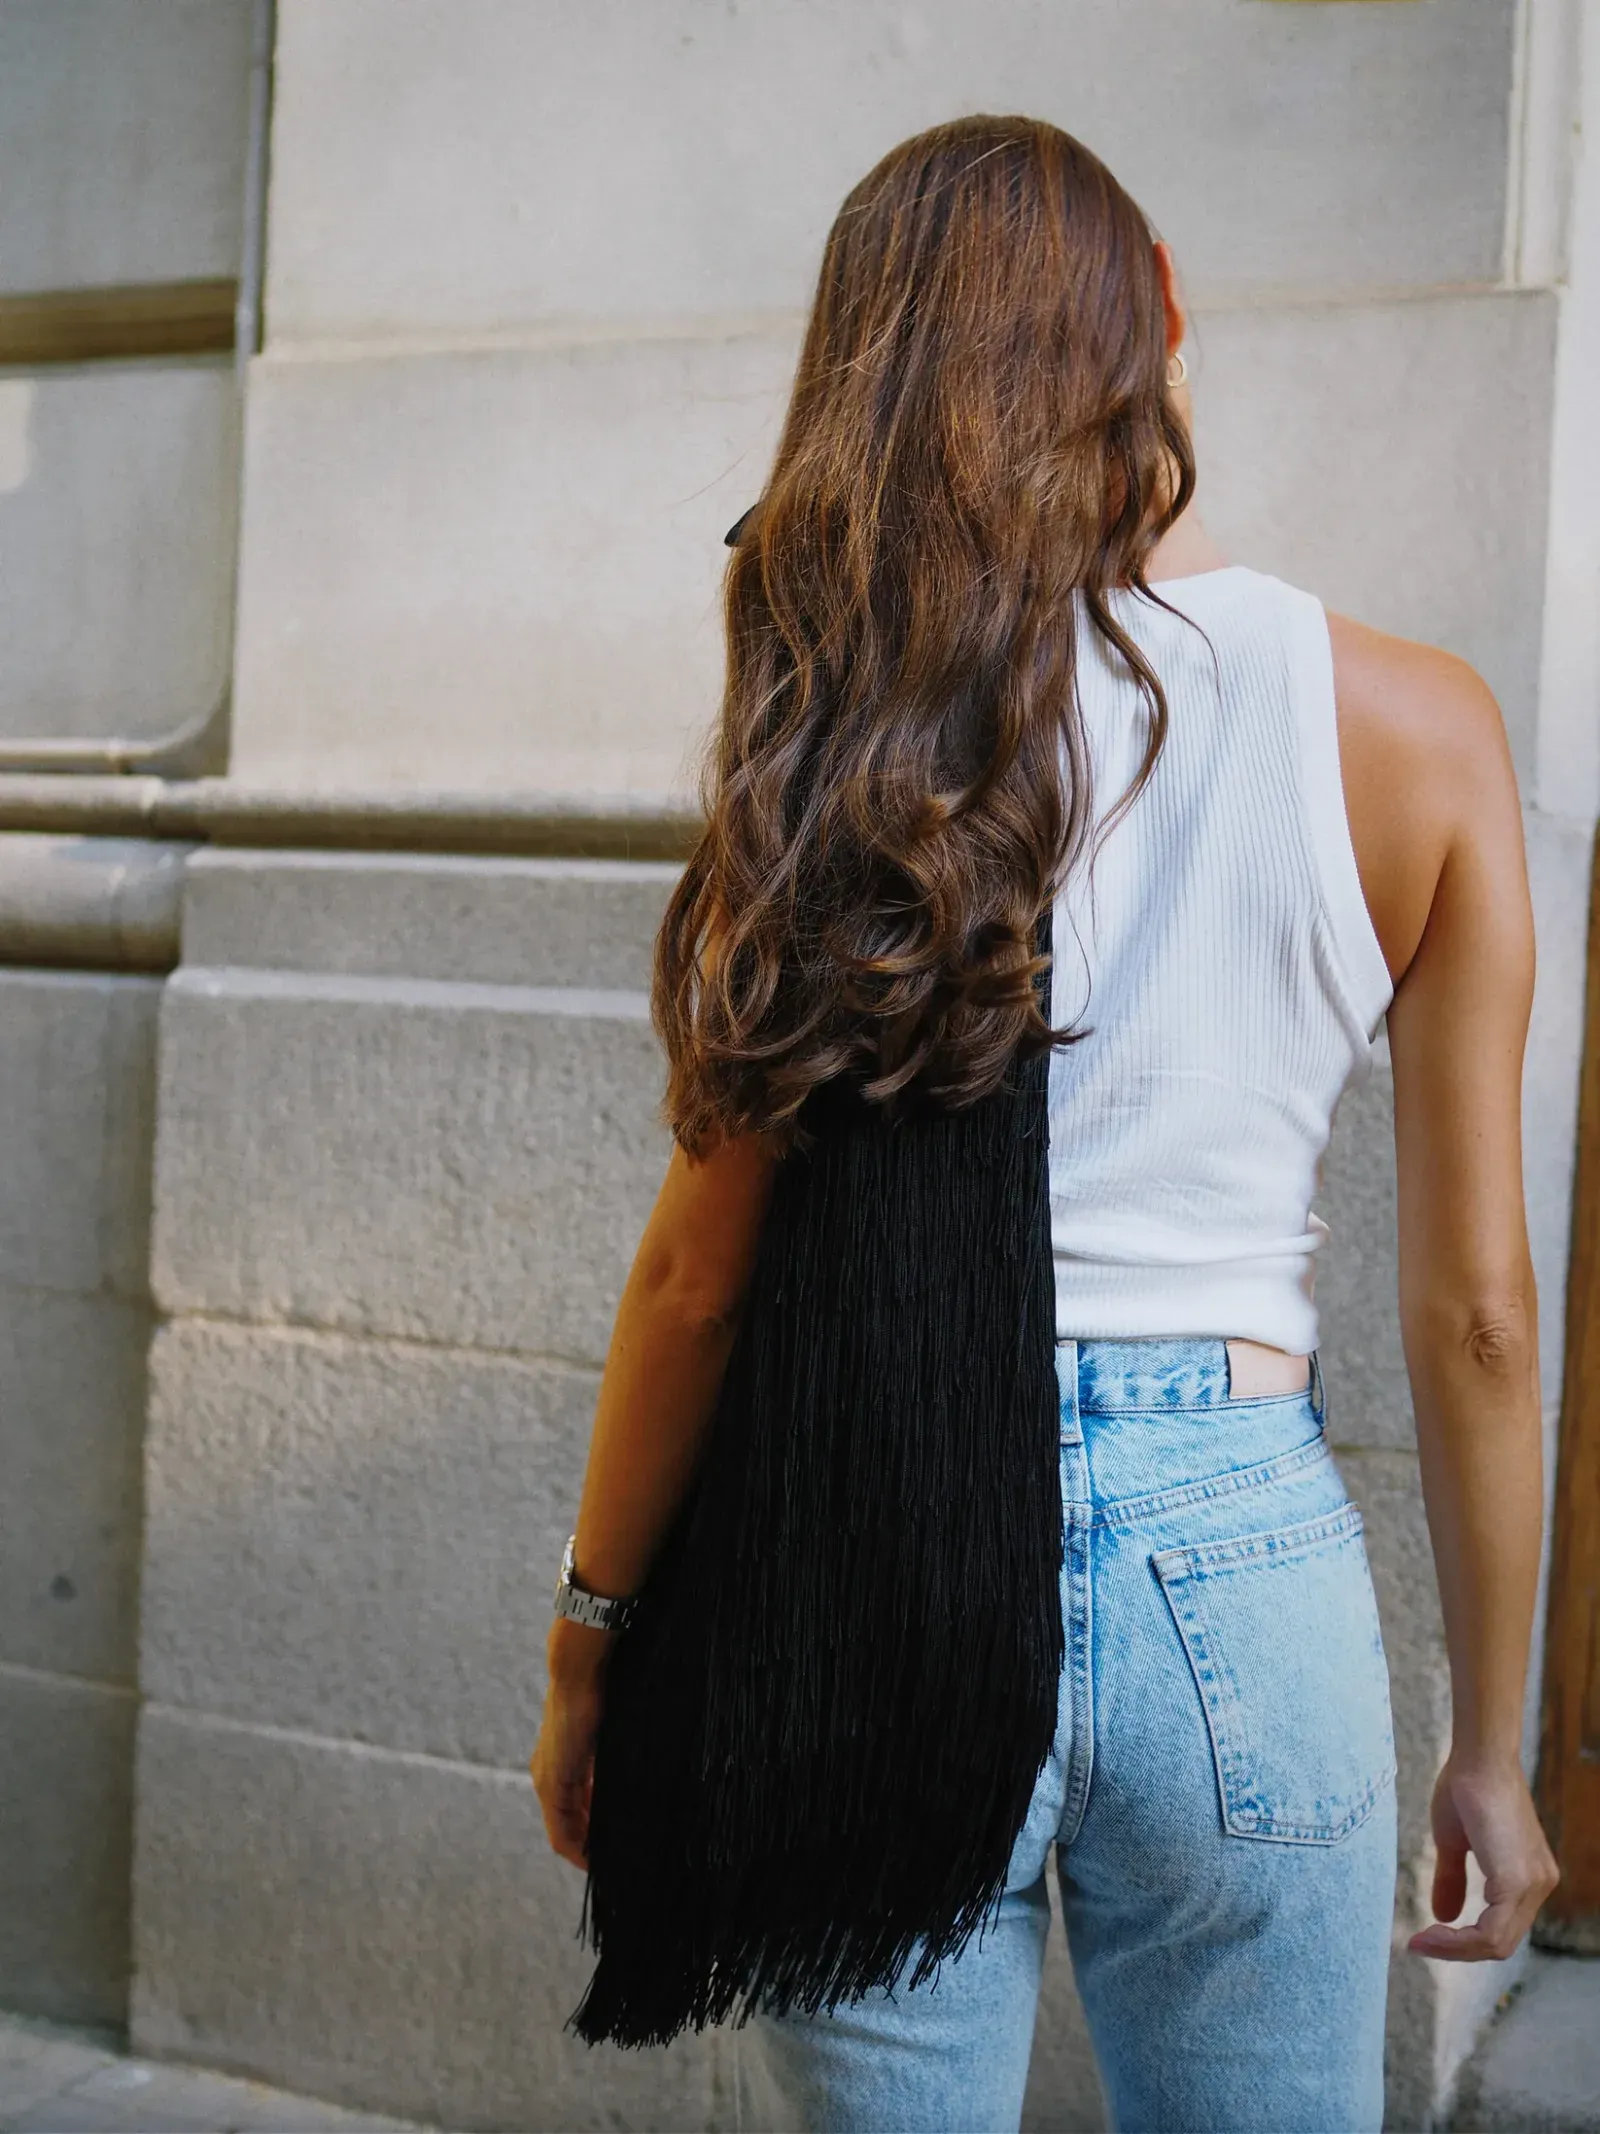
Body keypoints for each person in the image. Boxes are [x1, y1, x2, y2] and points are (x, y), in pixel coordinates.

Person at [530, 115, 1558, 2133]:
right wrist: (1491, 1746)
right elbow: (1480, 1313)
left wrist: (592, 1639)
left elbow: (696, 1278)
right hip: (1236, 1560)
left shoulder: (848, 735)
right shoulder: (1423, 727)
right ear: (1161, 319)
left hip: (873, 1550)